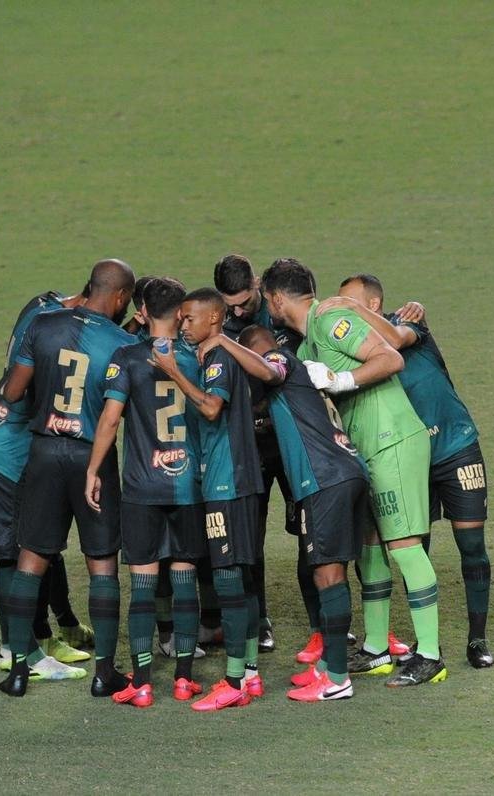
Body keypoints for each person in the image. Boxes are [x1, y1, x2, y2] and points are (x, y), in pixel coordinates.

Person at [262, 258, 448, 687]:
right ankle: (376, 648)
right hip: (363, 451)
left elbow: (389, 359)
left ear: (275, 299)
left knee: (404, 546)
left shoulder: (331, 320)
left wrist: (341, 380)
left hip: (392, 439)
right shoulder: (306, 348)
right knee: (368, 549)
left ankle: (430, 655)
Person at [321, 274, 494, 668]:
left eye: (352, 302)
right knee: (415, 548)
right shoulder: (353, 346)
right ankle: (424, 645)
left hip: (455, 447)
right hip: (410, 458)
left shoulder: (407, 321)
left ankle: (477, 639)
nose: (343, 310)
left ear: (374, 304)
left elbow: (397, 341)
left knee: (471, 545)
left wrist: (349, 307)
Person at [0, 260, 138, 697]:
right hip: (91, 457)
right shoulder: (123, 344)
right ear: (120, 297)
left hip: (43, 453)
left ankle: (19, 671)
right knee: (102, 562)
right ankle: (104, 673)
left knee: (31, 557)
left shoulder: (43, 324)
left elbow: (12, 391)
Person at [222, 325, 372, 701]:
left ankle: (337, 679)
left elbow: (268, 370)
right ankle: (328, 665)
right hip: (346, 470)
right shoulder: (304, 371)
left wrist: (220, 339)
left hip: (323, 479)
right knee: (331, 570)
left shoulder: (278, 358)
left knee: (328, 574)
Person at [85, 278, 207, 708]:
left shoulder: (127, 357)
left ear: (142, 310)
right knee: (185, 579)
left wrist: (93, 469)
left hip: (141, 488)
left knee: (143, 582)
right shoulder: (196, 355)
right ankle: (184, 678)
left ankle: (140, 682)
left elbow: (110, 420)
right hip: (188, 486)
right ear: (181, 312)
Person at [0, 288, 93, 684]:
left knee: (39, 545)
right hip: (0, 457)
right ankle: (18, 651)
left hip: (5, 445)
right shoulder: (57, 335)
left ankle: (43, 637)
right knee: (12, 555)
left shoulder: (43, 305)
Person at [151, 287, 264, 711]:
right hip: (238, 480)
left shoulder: (217, 357)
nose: (183, 325)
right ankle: (249, 673)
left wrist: (172, 372)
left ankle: (234, 681)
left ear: (214, 318)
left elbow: (212, 408)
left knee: (229, 580)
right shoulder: (217, 354)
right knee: (242, 580)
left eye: (190, 318)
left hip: (226, 483)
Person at [213, 254, 302, 652]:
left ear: (257, 284)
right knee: (252, 535)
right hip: (251, 447)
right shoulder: (220, 323)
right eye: (229, 304)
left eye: (243, 301)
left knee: (310, 530)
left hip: (292, 442)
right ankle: (260, 619)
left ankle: (322, 620)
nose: (237, 311)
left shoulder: (282, 312)